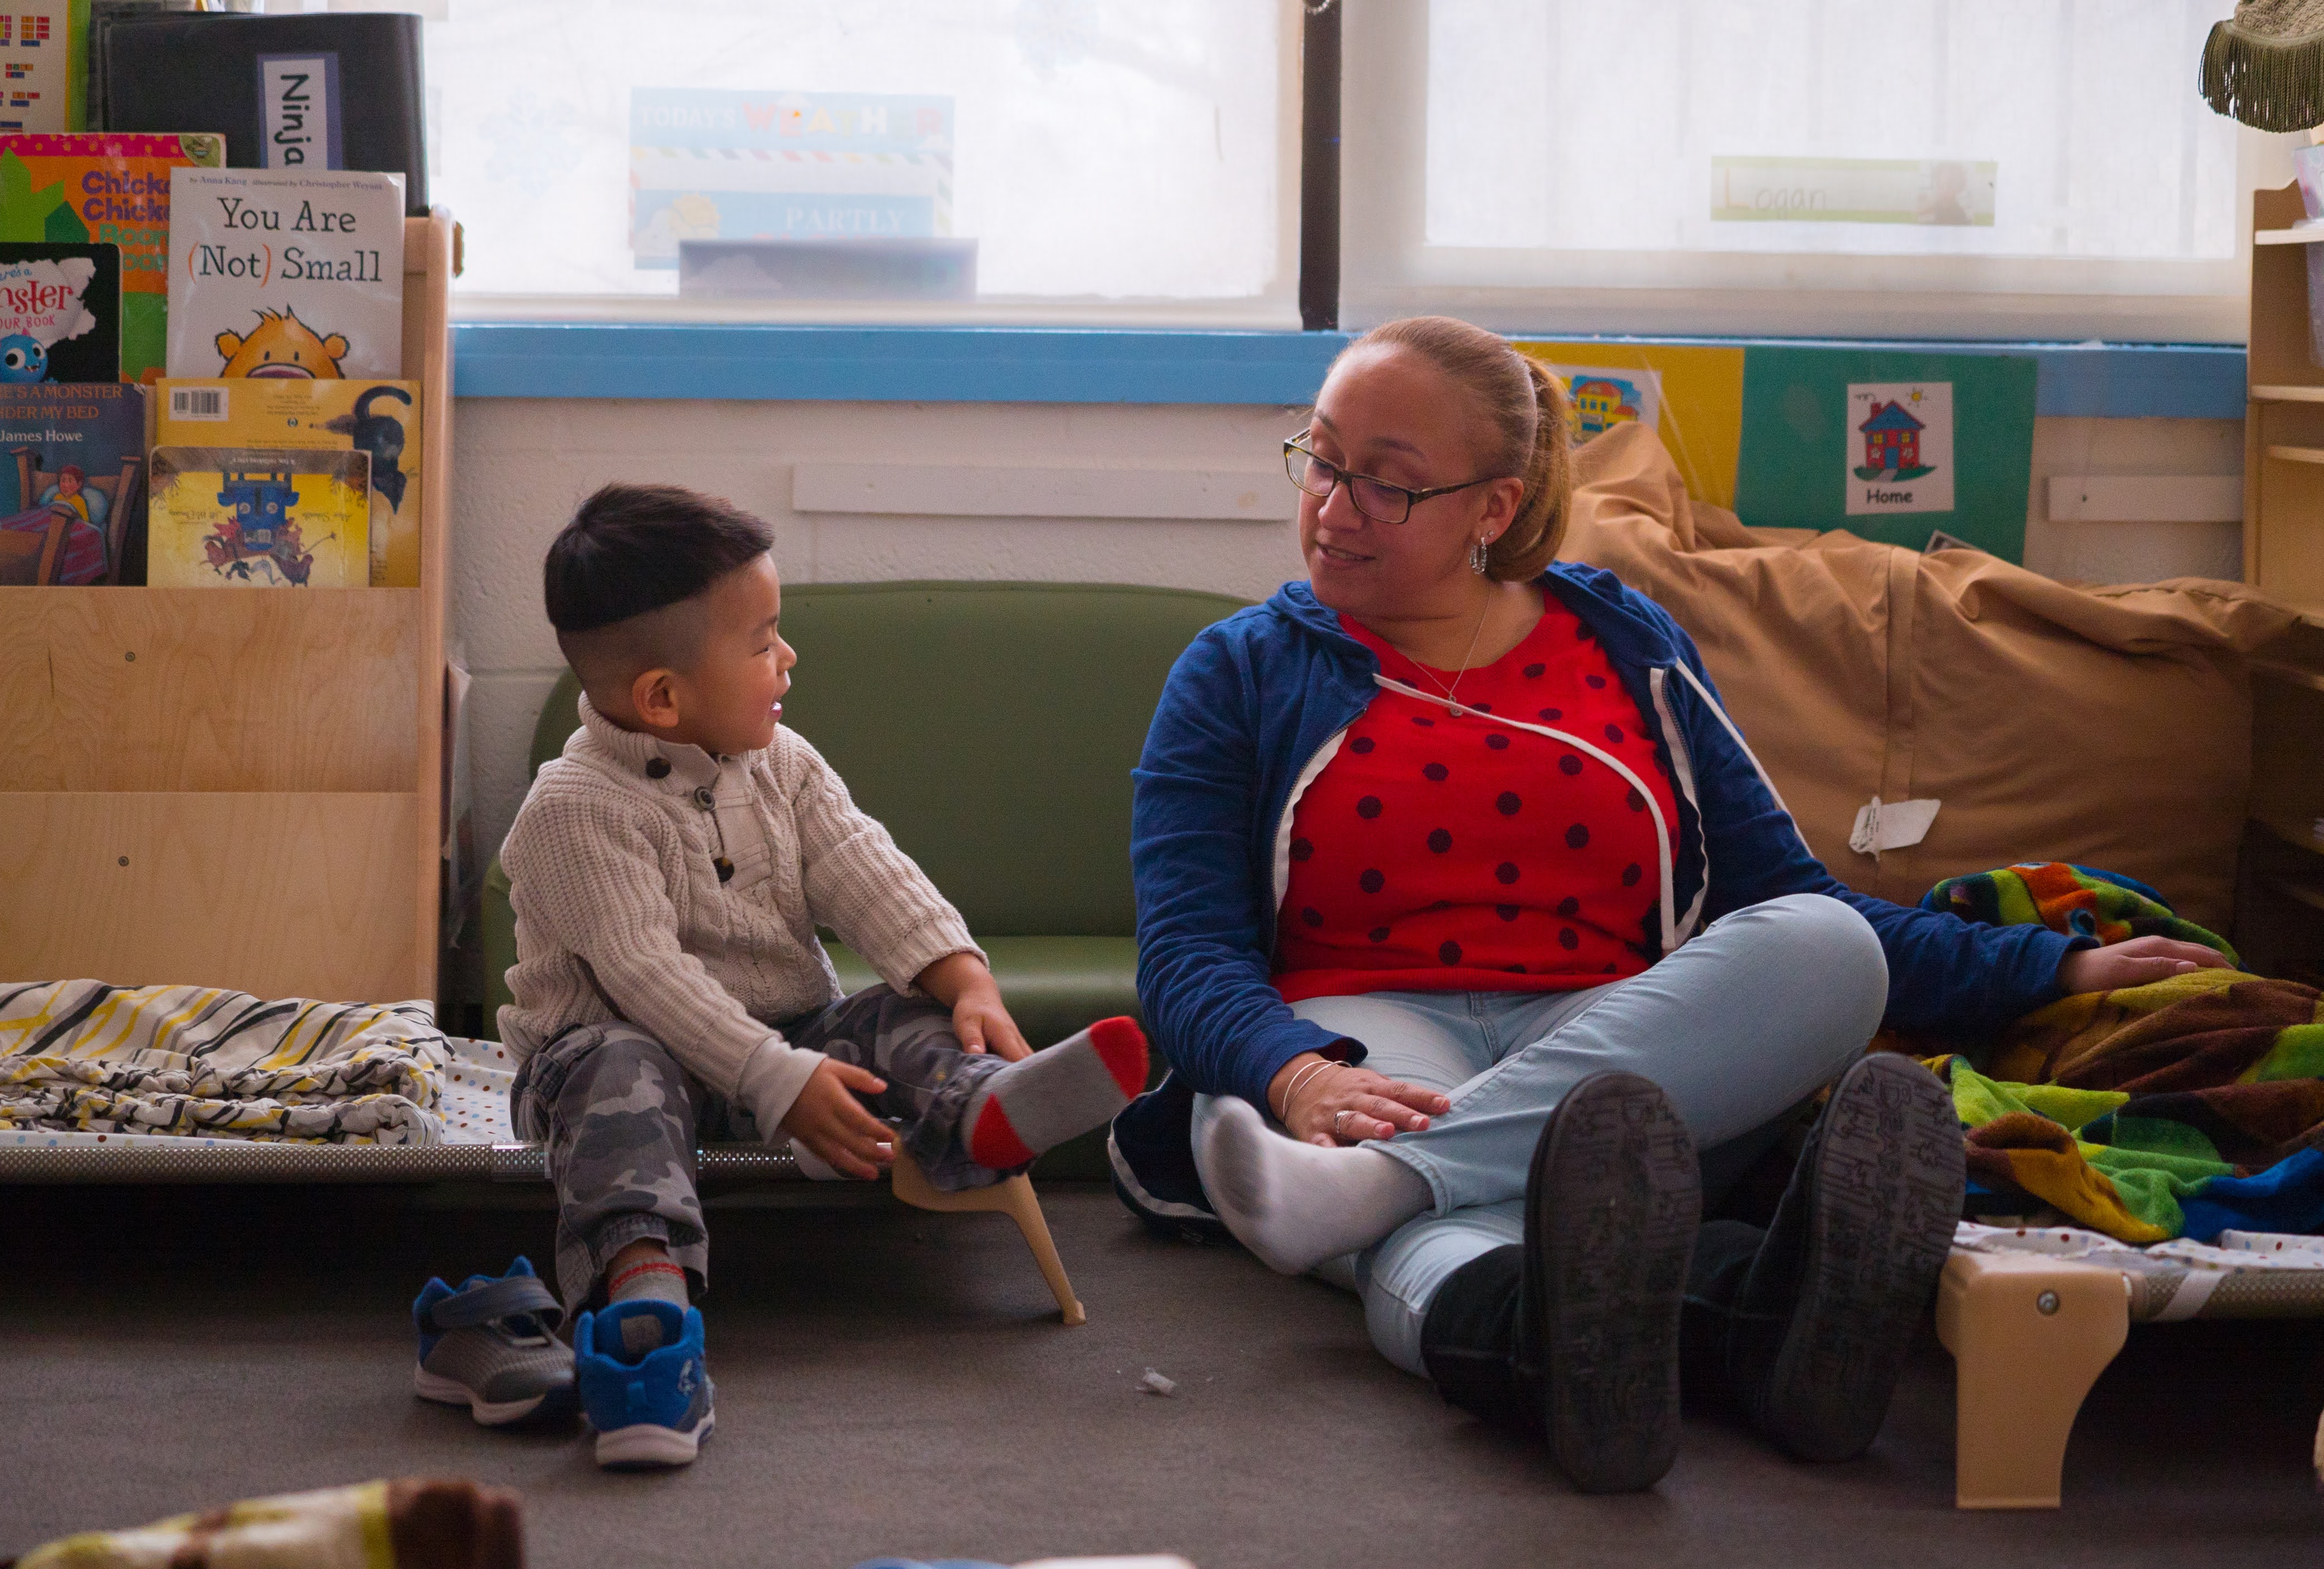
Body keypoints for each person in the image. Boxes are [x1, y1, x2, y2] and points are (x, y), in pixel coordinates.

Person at [1114, 316, 2232, 1493]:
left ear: (1494, 509)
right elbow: (1188, 955)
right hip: (1356, 1035)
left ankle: (1366, 1195)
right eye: (1322, 460)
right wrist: (1295, 1076)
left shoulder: (1621, 643)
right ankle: (1740, 1327)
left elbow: (1786, 897)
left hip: (1615, 1033)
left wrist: (2042, 968)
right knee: (1461, 1221)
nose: (1334, 509)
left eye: (1387, 485)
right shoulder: (1235, 669)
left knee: (1820, 947)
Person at [443, 483, 1149, 1470]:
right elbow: (647, 977)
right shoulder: (573, 809)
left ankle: (983, 1107)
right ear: (662, 697)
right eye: (764, 640)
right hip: (611, 1068)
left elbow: (867, 868)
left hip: (791, 1036)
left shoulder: (783, 762)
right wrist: (774, 1080)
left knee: (892, 1013)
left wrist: (963, 979)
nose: (789, 659)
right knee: (622, 1071)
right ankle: (647, 1301)